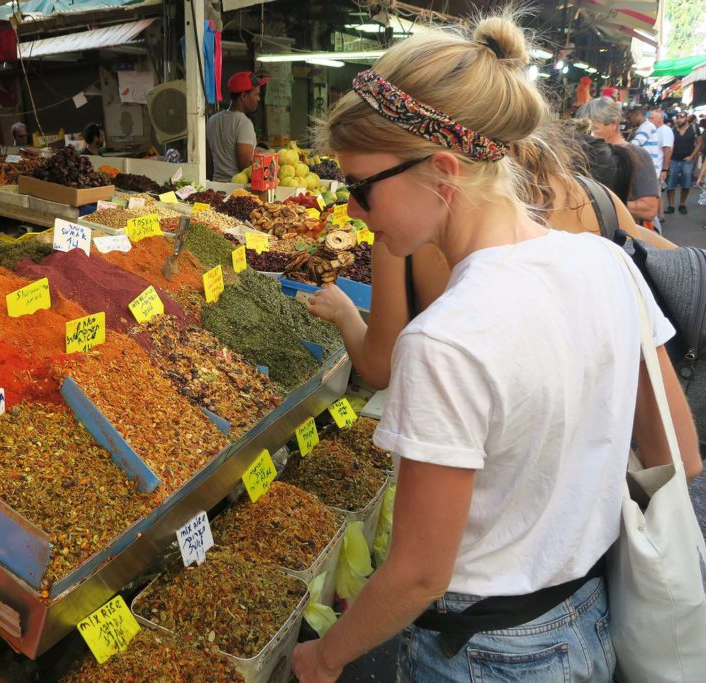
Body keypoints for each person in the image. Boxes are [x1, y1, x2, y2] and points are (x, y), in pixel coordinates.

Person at [292, 12, 699, 683]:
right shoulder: (607, 267)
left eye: (361, 188)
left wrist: (325, 655)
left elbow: (420, 572)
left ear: (444, 170)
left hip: (483, 654)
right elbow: (679, 459)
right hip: (591, 624)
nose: (353, 212)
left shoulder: (445, 340)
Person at [577, 97, 661, 224]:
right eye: (583, 129)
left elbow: (649, 209)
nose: (588, 135)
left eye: (593, 128)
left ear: (613, 124)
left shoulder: (637, 155)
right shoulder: (583, 152)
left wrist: (598, 203)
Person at [206, 71, 267, 181]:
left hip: (215, 186)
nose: (259, 99)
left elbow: (208, 161)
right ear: (244, 96)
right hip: (236, 189)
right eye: (256, 94)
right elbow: (245, 166)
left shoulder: (212, 120)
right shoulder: (243, 123)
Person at [664, 111, 701, 214]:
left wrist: (692, 156)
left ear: (686, 118)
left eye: (682, 117)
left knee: (686, 183)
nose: (679, 119)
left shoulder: (694, 128)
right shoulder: (672, 130)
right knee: (671, 183)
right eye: (678, 117)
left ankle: (682, 204)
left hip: (687, 161)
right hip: (673, 160)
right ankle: (671, 206)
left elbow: (699, 143)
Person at [628, 106, 663, 177]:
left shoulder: (647, 126)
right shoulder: (643, 127)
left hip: (648, 172)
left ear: (637, 115)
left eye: (629, 118)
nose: (628, 121)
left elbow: (634, 144)